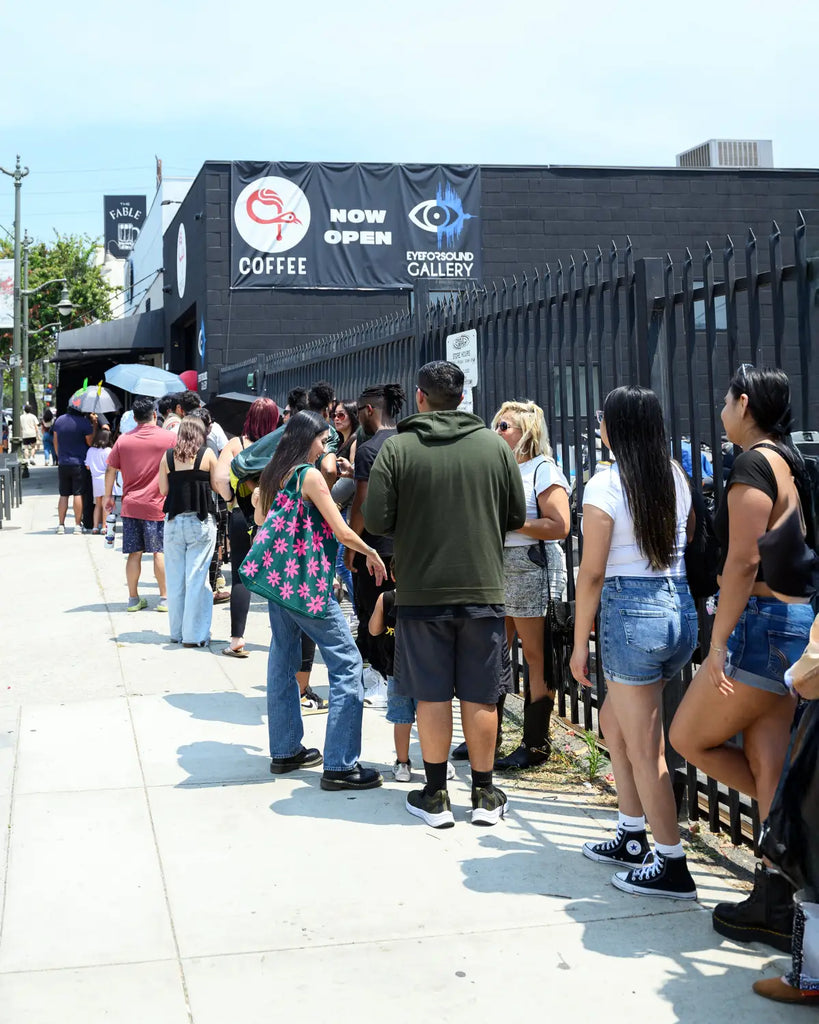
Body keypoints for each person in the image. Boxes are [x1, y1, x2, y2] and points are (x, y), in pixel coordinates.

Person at [670, 365, 814, 944]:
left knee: (687, 737)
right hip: (792, 623)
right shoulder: (789, 459)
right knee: (770, 766)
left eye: (726, 399)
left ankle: (794, 836)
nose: (721, 408)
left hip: (761, 624)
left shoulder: (753, 463)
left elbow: (743, 560)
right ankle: (776, 897)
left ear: (745, 402)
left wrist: (719, 642)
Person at [364, 360, 526, 828]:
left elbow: (375, 520)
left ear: (420, 398)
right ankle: (484, 794)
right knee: (481, 694)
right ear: (462, 398)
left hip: (419, 591)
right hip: (483, 588)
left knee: (431, 694)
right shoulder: (495, 447)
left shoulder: (399, 449)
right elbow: (514, 515)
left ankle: (435, 796)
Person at [570, 386, 698, 899]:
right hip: (677, 610)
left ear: (615, 427)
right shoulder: (676, 475)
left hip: (633, 614)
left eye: (603, 417)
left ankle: (671, 864)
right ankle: (630, 832)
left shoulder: (605, 484)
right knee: (612, 724)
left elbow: (593, 574)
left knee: (647, 750)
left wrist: (580, 643)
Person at [251, 410, 387, 789]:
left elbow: (262, 520)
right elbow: (341, 530)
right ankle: (341, 765)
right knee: (347, 663)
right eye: (322, 439)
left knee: (282, 659)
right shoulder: (308, 475)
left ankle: (285, 750)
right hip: (307, 584)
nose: (326, 444)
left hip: (278, 581)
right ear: (307, 438)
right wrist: (370, 553)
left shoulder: (275, 474)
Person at [490, 400, 571, 770]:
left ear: (527, 433)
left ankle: (535, 744)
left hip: (531, 566)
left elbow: (559, 525)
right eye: (496, 425)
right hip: (497, 565)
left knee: (536, 657)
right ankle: (487, 738)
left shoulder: (542, 468)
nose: (497, 431)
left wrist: (513, 522)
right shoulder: (496, 467)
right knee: (493, 651)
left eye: (504, 426)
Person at [345, 383, 405, 704]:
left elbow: (363, 507)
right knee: (398, 613)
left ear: (369, 410)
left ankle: (379, 678)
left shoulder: (369, 450)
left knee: (372, 613)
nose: (357, 418)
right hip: (405, 545)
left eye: (358, 411)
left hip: (374, 548)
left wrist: (351, 546)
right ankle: (395, 677)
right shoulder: (408, 442)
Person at [214, 397, 281, 657]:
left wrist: (230, 498)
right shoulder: (281, 444)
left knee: (241, 577)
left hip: (243, 515)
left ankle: (237, 640)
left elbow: (220, 480)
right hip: (276, 517)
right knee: (279, 576)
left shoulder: (236, 445)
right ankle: (281, 639)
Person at [104, 396, 176, 612]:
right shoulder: (169, 439)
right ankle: (164, 599)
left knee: (134, 553)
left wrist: (108, 497)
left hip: (131, 505)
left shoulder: (123, 440)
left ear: (134, 418)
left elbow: (110, 470)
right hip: (158, 505)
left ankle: (133, 599)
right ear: (155, 415)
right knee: (159, 551)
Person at [158, 417, 219, 647]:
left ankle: (176, 632)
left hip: (174, 522)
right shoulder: (207, 456)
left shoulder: (167, 457)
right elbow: (216, 486)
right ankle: (194, 636)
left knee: (175, 579)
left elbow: (163, 489)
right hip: (200, 521)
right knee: (197, 578)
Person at [331, 400, 360, 613]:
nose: (336, 418)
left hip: (348, 510)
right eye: (334, 414)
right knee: (339, 563)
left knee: (342, 564)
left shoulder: (355, 440)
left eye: (341, 415)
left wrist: (326, 495)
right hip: (341, 509)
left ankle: (360, 609)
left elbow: (352, 479)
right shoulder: (341, 441)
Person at [52, 404, 94, 534]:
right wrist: (93, 424)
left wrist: (60, 456)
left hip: (63, 462)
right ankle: (77, 525)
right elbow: (90, 442)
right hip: (79, 462)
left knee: (63, 494)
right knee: (78, 493)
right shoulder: (84, 422)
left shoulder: (59, 420)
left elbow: (55, 440)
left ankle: (61, 524)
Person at [85, 427, 115, 533]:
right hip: (106, 479)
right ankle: (104, 526)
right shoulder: (109, 451)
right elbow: (111, 466)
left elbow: (87, 466)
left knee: (97, 504)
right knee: (106, 503)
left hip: (95, 479)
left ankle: (94, 527)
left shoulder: (90, 450)